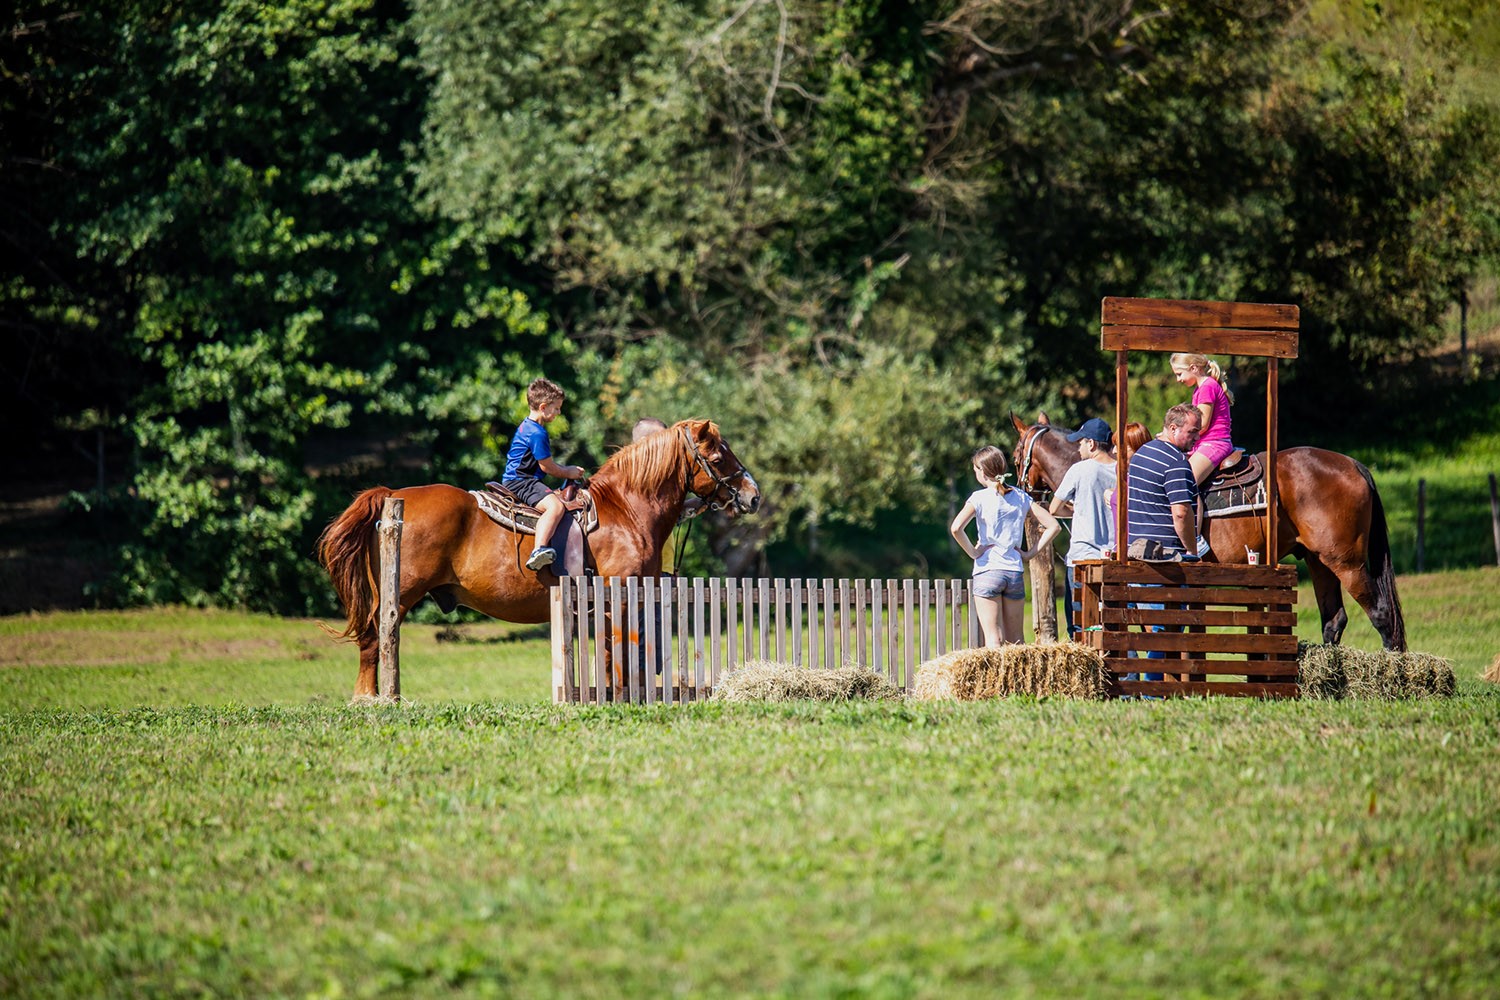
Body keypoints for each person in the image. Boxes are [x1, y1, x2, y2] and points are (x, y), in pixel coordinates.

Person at [950, 446, 1061, 646]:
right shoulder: (1020, 497)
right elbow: (1054, 526)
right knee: (1016, 640)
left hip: (988, 570)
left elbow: (956, 528)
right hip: (1013, 571)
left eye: (976, 469)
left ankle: (997, 679)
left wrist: (974, 552)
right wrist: (1029, 554)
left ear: (983, 471)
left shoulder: (979, 498)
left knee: (994, 639)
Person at [503, 377, 586, 572]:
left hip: (518, 479)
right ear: (543, 406)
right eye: (556, 408)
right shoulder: (537, 433)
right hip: (521, 482)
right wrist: (570, 472)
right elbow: (547, 467)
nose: (558, 412)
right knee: (555, 507)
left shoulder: (528, 426)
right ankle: (539, 549)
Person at [1048, 417, 1116, 636]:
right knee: (1112, 625)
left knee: (1079, 626)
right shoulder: (1122, 470)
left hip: (1081, 558)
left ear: (1092, 444)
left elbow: (1054, 508)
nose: (1078, 447)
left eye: (1081, 442)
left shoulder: (1080, 470)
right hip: (1112, 557)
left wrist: (1077, 509)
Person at [1126, 403, 1202, 559]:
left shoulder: (1140, 454)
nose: (1197, 437)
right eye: (1192, 432)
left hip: (1135, 552)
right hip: (1166, 557)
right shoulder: (1176, 462)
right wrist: (1192, 551)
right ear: (1173, 428)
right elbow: (1181, 513)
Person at [1171, 352, 1235, 485]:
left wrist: (1177, 437)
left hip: (1214, 443)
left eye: (1179, 374)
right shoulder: (1200, 389)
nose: (1178, 379)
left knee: (1185, 483)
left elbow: (1203, 424)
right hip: (1205, 443)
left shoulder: (1207, 387)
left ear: (1193, 368)